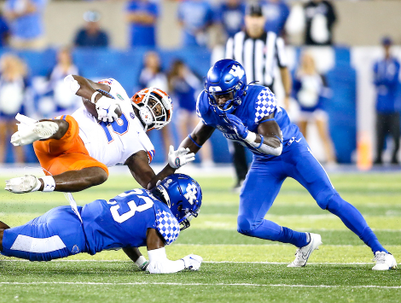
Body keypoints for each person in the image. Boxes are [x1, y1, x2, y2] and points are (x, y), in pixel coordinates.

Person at [152, 59, 397, 271]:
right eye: (215, 94)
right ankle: (304, 241)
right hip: (264, 161)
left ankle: (382, 252)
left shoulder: (258, 98)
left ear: (239, 90)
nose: (219, 100)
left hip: (291, 151)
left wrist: (246, 135)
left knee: (328, 200)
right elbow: (197, 136)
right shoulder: (209, 103)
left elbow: (275, 145)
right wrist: (171, 166)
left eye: (225, 94)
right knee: (247, 224)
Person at [0, 174, 204, 274]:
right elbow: (160, 266)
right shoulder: (163, 219)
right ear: (177, 204)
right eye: (186, 210)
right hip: (70, 235)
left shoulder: (141, 195)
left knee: (8, 233)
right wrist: (187, 262)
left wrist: (138, 262)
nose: (184, 217)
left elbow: (126, 233)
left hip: (68, 214)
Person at [6, 74, 183, 194]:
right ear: (142, 95)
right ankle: (41, 129)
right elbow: (74, 81)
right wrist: (100, 100)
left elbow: (150, 184)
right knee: (69, 127)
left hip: (70, 165)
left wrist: (171, 167)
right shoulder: (117, 92)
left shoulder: (141, 146)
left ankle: (36, 184)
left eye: (160, 111)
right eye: (155, 103)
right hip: (60, 139)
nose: (154, 109)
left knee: (101, 173)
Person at [224, 3, 291, 190]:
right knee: (236, 135)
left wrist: (287, 94)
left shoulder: (274, 41)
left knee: (268, 136)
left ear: (263, 19)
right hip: (240, 94)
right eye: (251, 17)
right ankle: (241, 178)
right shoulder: (234, 41)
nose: (254, 21)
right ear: (246, 19)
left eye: (258, 17)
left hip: (264, 93)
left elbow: (284, 69)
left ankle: (269, 178)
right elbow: (227, 69)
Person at [292, 51, 336, 164]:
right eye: (305, 60)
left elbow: (327, 91)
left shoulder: (319, 75)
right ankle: (302, 160)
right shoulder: (299, 75)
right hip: (304, 108)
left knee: (323, 135)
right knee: (302, 137)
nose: (307, 62)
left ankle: (331, 160)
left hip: (317, 108)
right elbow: (294, 91)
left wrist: (317, 94)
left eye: (309, 60)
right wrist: (300, 98)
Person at [168, 59, 213, 167]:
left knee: (201, 135)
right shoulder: (173, 80)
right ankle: (185, 161)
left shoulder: (191, 76)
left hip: (195, 109)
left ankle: (207, 160)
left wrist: (187, 76)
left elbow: (201, 87)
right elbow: (171, 93)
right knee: (183, 136)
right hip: (183, 110)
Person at [0, 54, 31, 164]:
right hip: (2, 111)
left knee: (18, 140)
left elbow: (27, 94)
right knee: (1, 140)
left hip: (17, 112)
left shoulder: (22, 78)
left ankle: (20, 163)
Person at [138, 51, 173, 160]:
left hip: (162, 109)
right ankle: (141, 160)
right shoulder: (144, 74)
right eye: (151, 59)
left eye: (155, 59)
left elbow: (168, 90)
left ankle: (170, 158)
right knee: (145, 135)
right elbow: (140, 92)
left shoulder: (163, 75)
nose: (154, 61)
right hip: (147, 110)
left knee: (166, 134)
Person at [373, 37, 400, 165]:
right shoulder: (378, 63)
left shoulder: (396, 63)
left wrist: (384, 82)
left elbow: (393, 82)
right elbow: (375, 81)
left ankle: (394, 157)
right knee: (380, 133)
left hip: (393, 105)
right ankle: (378, 156)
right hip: (381, 106)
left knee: (395, 133)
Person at [46, 48, 81, 115]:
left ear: (69, 57)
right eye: (62, 56)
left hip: (73, 97)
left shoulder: (76, 69)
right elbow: (49, 84)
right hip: (57, 98)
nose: (64, 58)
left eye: (65, 56)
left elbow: (81, 84)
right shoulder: (54, 70)